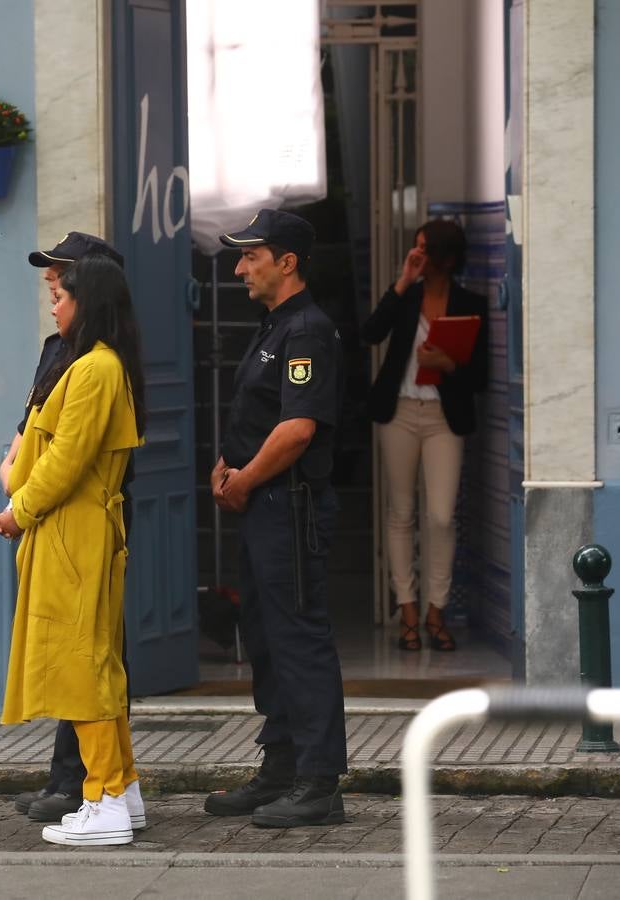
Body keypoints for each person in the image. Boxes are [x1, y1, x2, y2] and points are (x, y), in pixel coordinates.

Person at [0, 254, 146, 846]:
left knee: (82, 664)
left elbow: (64, 459)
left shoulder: (94, 369)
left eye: (64, 294)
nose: (54, 302)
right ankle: (121, 790)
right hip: (77, 528)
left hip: (71, 529)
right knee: (97, 660)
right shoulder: (101, 366)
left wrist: (18, 511)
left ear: (90, 303)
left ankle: (103, 796)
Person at [203, 208, 348, 828]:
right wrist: (225, 466)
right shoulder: (273, 327)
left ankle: (320, 782)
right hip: (261, 504)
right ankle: (282, 766)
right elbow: (260, 415)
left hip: (288, 507)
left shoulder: (308, 331)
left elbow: (297, 429)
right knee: (264, 637)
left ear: (286, 262)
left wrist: (247, 477)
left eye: (250, 256)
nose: (239, 267)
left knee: (299, 641)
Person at [361, 219, 488, 652]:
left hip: (442, 417)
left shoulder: (470, 303)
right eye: (414, 247)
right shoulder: (406, 295)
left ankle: (438, 609)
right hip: (397, 411)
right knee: (401, 512)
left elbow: (480, 375)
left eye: (424, 251)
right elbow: (369, 333)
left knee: (440, 516)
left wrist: (449, 365)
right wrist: (401, 281)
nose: (417, 255)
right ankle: (408, 610)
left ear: (446, 259)